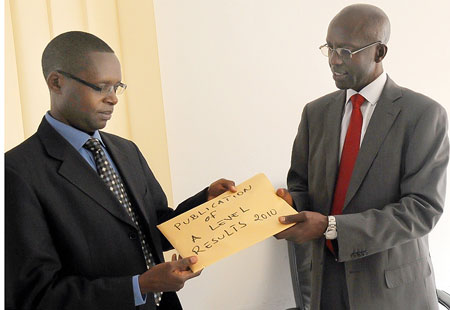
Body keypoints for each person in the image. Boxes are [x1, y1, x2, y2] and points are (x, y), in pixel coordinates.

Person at [5, 31, 236, 310]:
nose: (113, 99)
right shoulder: (17, 171)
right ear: (56, 83)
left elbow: (152, 229)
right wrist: (139, 287)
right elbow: (36, 296)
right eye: (101, 87)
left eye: (117, 87)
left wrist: (207, 205)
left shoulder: (126, 151)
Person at [275, 4, 448, 310]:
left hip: (391, 291)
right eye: (329, 48)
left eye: (345, 51)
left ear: (379, 52)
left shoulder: (423, 114)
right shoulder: (315, 113)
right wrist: (286, 206)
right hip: (326, 284)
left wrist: (332, 227)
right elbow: (301, 187)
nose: (333, 61)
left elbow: (422, 209)